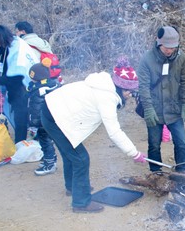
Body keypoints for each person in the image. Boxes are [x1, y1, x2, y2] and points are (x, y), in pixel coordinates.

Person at [41, 71, 147, 213]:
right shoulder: (106, 97)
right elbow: (114, 132)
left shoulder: (104, 86)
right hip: (55, 118)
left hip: (52, 111)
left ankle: (73, 187)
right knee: (81, 159)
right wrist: (134, 153)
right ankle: (81, 203)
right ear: (120, 87)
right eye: (128, 91)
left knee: (70, 155)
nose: (130, 95)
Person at [137, 26, 185, 172]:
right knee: (154, 144)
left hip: (174, 108)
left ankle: (182, 172)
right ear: (159, 43)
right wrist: (148, 109)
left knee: (181, 142)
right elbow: (143, 87)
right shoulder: (146, 60)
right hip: (155, 109)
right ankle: (156, 173)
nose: (169, 50)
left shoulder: (181, 58)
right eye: (166, 47)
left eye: (173, 47)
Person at [0, 25, 38, 142]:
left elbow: (16, 77)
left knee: (20, 119)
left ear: (1, 39)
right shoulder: (6, 48)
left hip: (22, 89)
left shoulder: (16, 49)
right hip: (13, 90)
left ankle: (20, 144)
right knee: (18, 118)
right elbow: (5, 70)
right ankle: (21, 143)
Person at [27, 59, 59, 176]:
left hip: (42, 122)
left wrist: (32, 125)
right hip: (53, 119)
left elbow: (35, 111)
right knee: (48, 141)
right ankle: (50, 159)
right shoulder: (53, 85)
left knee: (45, 142)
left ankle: (50, 164)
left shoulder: (38, 92)